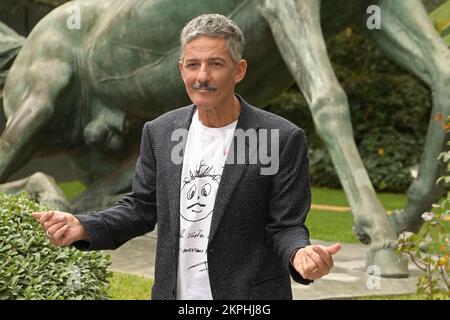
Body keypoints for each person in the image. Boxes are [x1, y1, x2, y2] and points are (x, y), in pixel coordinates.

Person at [32, 13, 341, 300]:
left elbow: (285, 225)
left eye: (216, 64)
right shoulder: (160, 132)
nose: (202, 76)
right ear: (181, 69)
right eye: (193, 65)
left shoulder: (281, 138)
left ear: (240, 70)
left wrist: (299, 254)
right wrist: (84, 226)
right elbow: (141, 208)